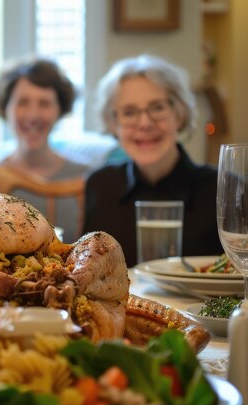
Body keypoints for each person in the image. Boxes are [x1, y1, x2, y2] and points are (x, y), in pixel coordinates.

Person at [83, 54, 222, 267]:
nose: (145, 123)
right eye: (129, 112)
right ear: (112, 123)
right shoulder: (101, 185)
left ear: (180, 113)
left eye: (158, 107)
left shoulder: (222, 187)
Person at [0, 57, 89, 242]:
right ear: (6, 108)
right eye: (23, 102)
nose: (33, 115)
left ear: (59, 110)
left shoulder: (87, 178)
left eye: (44, 103)